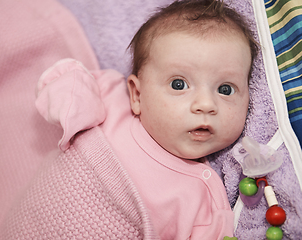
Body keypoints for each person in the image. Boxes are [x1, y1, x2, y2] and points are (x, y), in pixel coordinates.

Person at [35, 0, 258, 239]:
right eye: (178, 84)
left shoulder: (205, 200)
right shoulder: (112, 100)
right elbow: (65, 76)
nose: (205, 105)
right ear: (137, 95)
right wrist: (70, 108)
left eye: (225, 89)